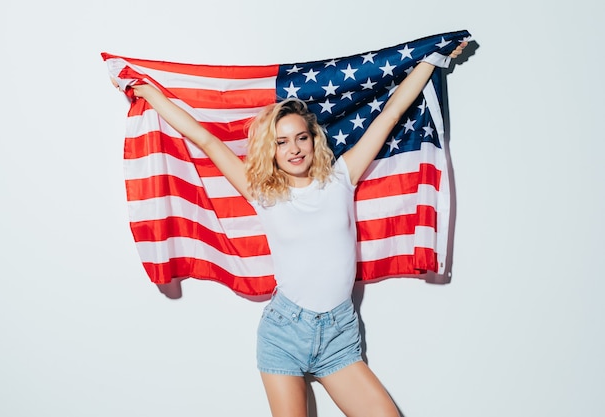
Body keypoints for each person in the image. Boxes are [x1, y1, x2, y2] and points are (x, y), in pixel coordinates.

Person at [114, 41, 467, 417]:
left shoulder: (341, 177)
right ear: (271, 149)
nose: (294, 149)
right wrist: (146, 90)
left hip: (339, 337)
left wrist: (433, 57)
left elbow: (392, 112)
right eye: (282, 142)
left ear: (314, 140)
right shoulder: (263, 194)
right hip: (284, 333)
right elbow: (206, 140)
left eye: (302, 137)